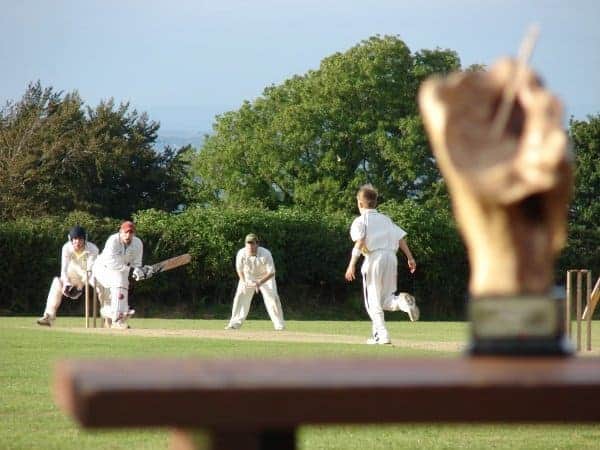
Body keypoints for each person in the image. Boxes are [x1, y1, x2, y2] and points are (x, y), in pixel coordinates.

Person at [345, 184, 419, 345]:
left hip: (374, 258)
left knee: (373, 302)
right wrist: (410, 258)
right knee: (386, 300)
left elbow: (361, 240)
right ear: (375, 202)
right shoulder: (386, 219)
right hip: (391, 258)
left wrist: (351, 264)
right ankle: (403, 303)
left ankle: (383, 335)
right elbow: (400, 239)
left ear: (359, 203)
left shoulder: (360, 221)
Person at [37, 225, 99, 326]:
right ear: (70, 239)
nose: (77, 242)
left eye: (80, 239)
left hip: (90, 274)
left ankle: (111, 319)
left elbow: (90, 270)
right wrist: (66, 283)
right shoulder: (66, 248)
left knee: (102, 287)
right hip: (73, 273)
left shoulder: (93, 249)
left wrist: (80, 287)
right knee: (57, 282)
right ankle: (49, 316)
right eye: (75, 239)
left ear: (85, 239)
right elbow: (64, 269)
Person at [92, 220, 149, 330]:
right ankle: (116, 319)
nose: (128, 235)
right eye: (125, 232)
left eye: (131, 233)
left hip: (120, 270)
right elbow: (111, 262)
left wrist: (139, 272)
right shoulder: (113, 240)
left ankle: (114, 314)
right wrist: (130, 270)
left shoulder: (137, 243)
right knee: (120, 280)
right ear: (120, 232)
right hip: (101, 268)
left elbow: (137, 264)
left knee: (123, 282)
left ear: (134, 234)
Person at [225, 233, 285, 331]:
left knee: (273, 298)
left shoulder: (266, 253)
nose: (251, 246)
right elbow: (239, 270)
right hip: (248, 277)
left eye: (253, 243)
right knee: (240, 296)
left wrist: (259, 283)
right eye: (248, 243)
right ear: (245, 244)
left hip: (265, 277)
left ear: (257, 244)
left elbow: (272, 272)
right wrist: (244, 281)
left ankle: (279, 325)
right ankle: (234, 324)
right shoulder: (241, 253)